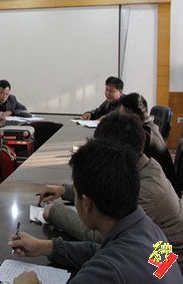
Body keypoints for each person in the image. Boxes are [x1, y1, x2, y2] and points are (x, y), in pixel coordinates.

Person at [10, 139, 183, 284]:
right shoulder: (151, 230)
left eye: (75, 194)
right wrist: (44, 247)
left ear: (86, 203)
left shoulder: (106, 273)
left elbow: (109, 264)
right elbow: (100, 251)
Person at [38, 112, 183, 272]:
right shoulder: (143, 165)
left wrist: (55, 212)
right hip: (155, 250)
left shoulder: (146, 190)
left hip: (169, 261)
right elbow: (105, 192)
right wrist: (66, 190)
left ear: (115, 152)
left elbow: (101, 234)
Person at [119, 92, 177, 191]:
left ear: (132, 115)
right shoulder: (150, 127)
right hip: (161, 183)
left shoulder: (143, 136)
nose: (120, 120)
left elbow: (126, 160)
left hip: (159, 188)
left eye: (122, 116)